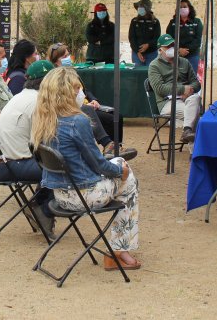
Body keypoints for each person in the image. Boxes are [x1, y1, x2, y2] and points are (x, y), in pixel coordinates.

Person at [30, 67, 141, 270]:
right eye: (76, 87)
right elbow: (98, 164)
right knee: (127, 175)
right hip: (84, 195)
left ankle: (119, 250)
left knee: (120, 169)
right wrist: (120, 170)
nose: (80, 92)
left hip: (60, 195)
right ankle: (119, 250)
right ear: (67, 92)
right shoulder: (77, 121)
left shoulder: (42, 118)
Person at [0, 59, 56, 237]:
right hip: (11, 166)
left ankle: (38, 205)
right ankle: (42, 209)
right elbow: (45, 141)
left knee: (53, 163)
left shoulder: (22, 96)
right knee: (61, 166)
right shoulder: (39, 103)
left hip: (3, 161)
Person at [48, 43, 128, 154]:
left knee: (117, 116)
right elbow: (63, 100)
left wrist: (93, 100)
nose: (68, 58)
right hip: (74, 109)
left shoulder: (71, 71)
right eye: (64, 57)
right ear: (56, 61)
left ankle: (116, 147)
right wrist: (84, 105)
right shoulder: (55, 77)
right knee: (101, 116)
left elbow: (85, 90)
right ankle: (109, 146)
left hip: (86, 105)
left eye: (68, 55)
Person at [148, 34, 201, 143]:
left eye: (173, 45)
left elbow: (196, 83)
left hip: (187, 99)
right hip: (167, 102)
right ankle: (194, 152)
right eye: (168, 46)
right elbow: (160, 88)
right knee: (195, 117)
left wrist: (189, 90)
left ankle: (187, 131)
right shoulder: (154, 66)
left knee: (195, 99)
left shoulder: (184, 62)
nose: (171, 48)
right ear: (160, 49)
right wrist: (182, 89)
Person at [166, 0, 203, 73]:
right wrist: (179, 50)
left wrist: (186, 50)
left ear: (189, 8)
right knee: (178, 78)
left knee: (192, 78)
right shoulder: (173, 22)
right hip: (177, 56)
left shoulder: (197, 22)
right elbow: (169, 39)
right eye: (180, 7)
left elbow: (198, 40)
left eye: (185, 7)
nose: (182, 9)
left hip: (193, 55)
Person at [128, 0, 161, 66]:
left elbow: (157, 38)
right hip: (137, 54)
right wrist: (137, 51)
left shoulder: (155, 22)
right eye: (139, 6)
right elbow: (132, 38)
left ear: (147, 9)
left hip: (152, 54)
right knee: (138, 75)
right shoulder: (134, 21)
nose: (139, 8)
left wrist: (148, 45)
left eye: (142, 7)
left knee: (150, 74)